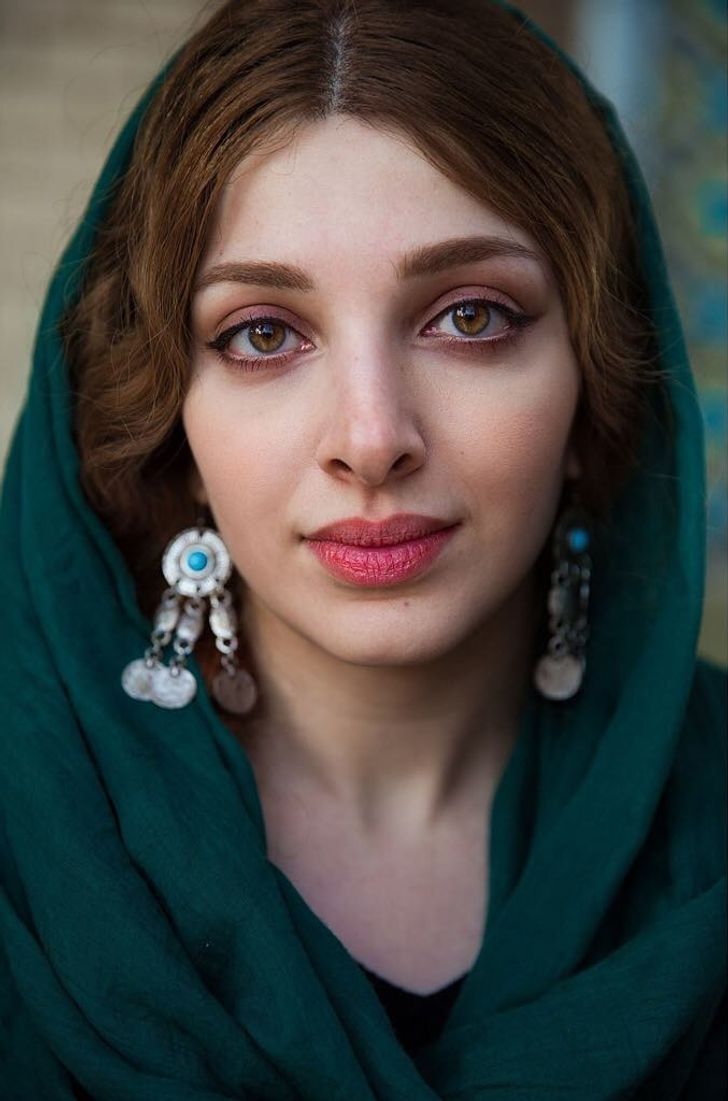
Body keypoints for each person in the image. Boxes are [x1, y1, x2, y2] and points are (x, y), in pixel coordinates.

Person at [0, 0, 725, 1096]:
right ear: (172, 425)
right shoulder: (28, 837)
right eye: (261, 335)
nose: (372, 438)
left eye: (469, 318)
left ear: (592, 389)